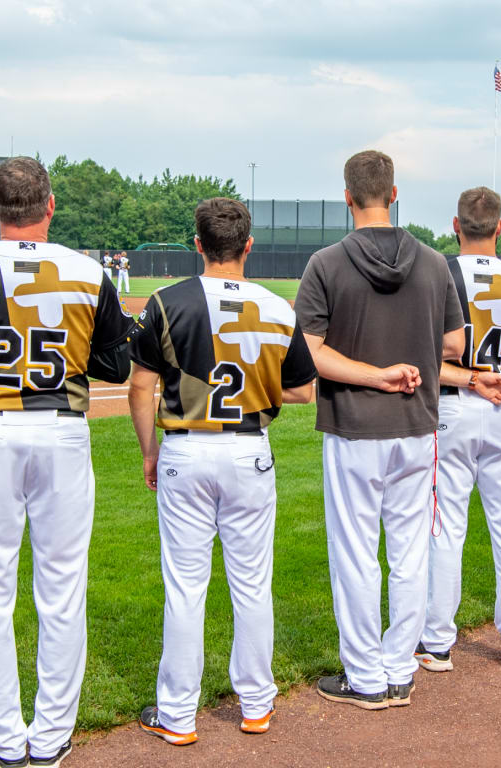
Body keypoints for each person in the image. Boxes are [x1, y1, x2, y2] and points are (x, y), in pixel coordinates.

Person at [0, 157, 133, 767]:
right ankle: (52, 735)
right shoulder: (88, 272)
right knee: (61, 589)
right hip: (63, 431)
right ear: (50, 205)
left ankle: (6, 742)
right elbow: (117, 366)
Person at [128, 197, 317, 745]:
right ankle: (257, 704)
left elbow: (141, 385)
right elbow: (304, 389)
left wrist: (148, 452)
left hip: (186, 448)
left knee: (186, 588)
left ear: (197, 245)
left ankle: (178, 716)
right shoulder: (277, 306)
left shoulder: (167, 300)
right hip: (248, 450)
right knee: (252, 584)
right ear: (248, 246)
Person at [296, 150, 464, 710]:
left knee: (357, 555)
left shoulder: (325, 263)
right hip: (418, 427)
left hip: (352, 428)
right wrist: (406, 353)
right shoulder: (436, 263)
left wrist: (374, 373)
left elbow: (310, 355)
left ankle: (365, 677)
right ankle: (398, 670)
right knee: (411, 552)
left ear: (348, 197)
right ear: (394, 194)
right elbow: (455, 345)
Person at [418, 187, 501, 675]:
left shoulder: (441, 274)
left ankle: (436, 643)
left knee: (446, 529)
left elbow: (425, 356)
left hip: (454, 405)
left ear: (456, 226)